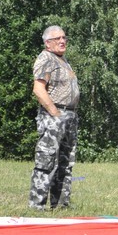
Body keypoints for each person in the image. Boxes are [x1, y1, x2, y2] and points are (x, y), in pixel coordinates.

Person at [29, 25, 80, 210]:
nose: (62, 41)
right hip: (54, 115)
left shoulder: (63, 60)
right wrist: (55, 113)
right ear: (47, 43)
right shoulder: (46, 58)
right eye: (58, 38)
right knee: (46, 160)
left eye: (64, 37)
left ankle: (61, 206)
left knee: (66, 163)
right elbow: (38, 89)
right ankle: (37, 206)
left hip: (70, 115)